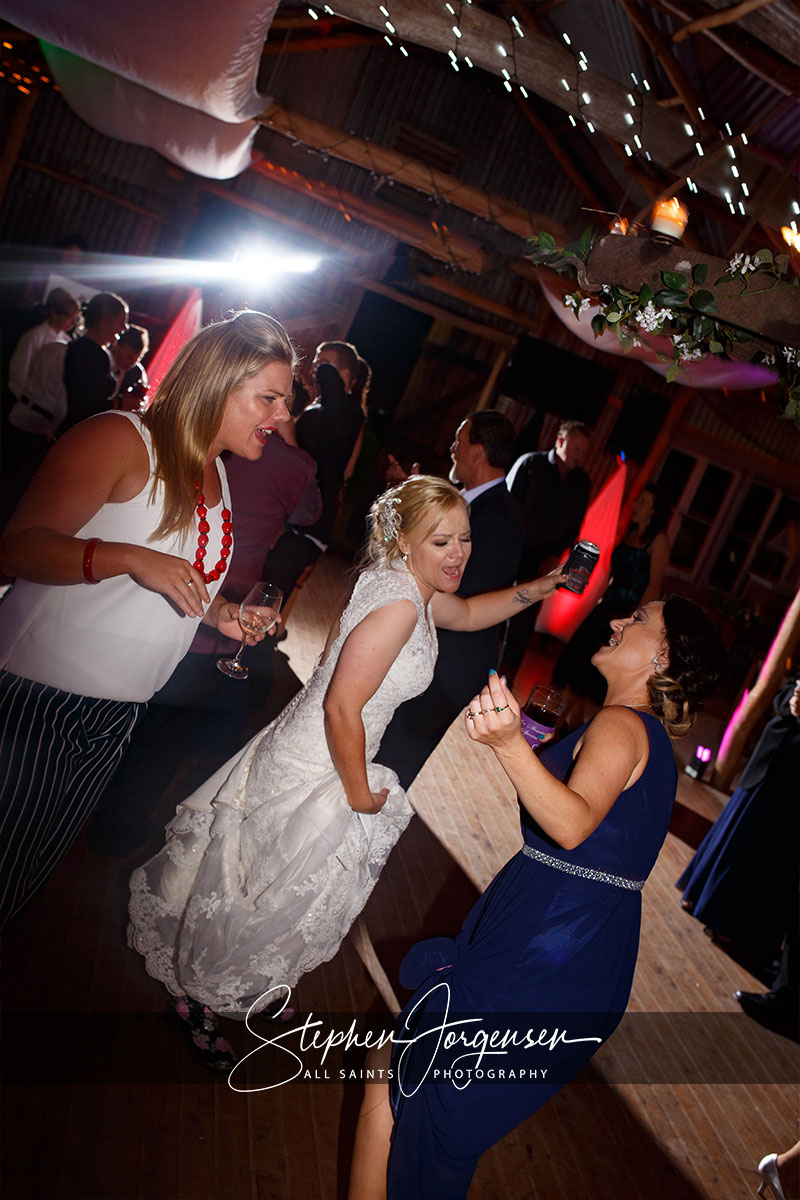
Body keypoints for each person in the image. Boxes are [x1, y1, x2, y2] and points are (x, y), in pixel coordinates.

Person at [128, 475, 563, 1069]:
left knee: (268, 879)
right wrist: (360, 795)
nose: (458, 553)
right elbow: (341, 706)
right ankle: (195, 1003)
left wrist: (539, 588)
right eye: (442, 542)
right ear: (407, 540)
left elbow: (464, 614)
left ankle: (240, 983)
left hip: (316, 743)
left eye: (463, 538)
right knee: (259, 883)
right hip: (322, 756)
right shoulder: (400, 607)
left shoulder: (403, 580)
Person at [348, 595, 722, 1200]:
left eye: (638, 621)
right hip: (571, 945)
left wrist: (511, 747)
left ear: (662, 657)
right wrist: (526, 751)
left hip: (543, 948)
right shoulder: (640, 735)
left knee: (423, 1095)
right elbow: (573, 826)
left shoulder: (621, 726)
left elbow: (572, 828)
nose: (616, 621)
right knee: (402, 1082)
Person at [0, 310, 295, 928]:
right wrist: (128, 558)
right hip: (34, 700)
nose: (282, 417)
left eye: (285, 402)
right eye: (269, 398)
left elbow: (177, 578)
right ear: (216, 382)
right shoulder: (118, 437)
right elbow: (17, 547)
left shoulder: (219, 473)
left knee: (19, 882)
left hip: (116, 714)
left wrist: (220, 613)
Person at [87, 413, 322, 856]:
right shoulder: (288, 465)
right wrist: (293, 448)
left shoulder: (205, 450)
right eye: (273, 399)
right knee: (167, 728)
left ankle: (97, 807)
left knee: (141, 712)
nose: (282, 414)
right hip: (205, 603)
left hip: (195, 602)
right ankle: (116, 827)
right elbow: (309, 513)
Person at [377, 411, 523, 789]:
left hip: (449, 662)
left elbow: (458, 589)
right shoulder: (469, 503)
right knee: (377, 744)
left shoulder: (499, 520)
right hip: (429, 648)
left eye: (459, 441)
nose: (452, 449)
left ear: (477, 452)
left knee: (392, 763)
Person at [678, 676, 800, 972]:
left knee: (761, 856)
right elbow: (783, 691)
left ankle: (730, 924)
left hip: (792, 785)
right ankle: (698, 895)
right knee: (731, 835)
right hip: (767, 763)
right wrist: (792, 704)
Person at [551, 482, 671, 713]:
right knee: (579, 660)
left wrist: (635, 619)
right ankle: (567, 721)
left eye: (643, 502)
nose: (636, 505)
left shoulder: (658, 541)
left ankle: (577, 723)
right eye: (638, 500)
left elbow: (653, 585)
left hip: (627, 609)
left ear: (654, 511)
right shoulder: (632, 532)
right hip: (608, 605)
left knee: (594, 675)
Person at [262, 341, 365, 599]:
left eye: (323, 363)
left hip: (309, 524)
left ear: (342, 373)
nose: (315, 368)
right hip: (293, 515)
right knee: (264, 585)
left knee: (271, 592)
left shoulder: (349, 412)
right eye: (316, 362)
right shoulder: (318, 408)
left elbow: (346, 471)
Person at [501, 419, 592, 679]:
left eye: (584, 451)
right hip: (511, 551)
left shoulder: (582, 482)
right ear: (560, 441)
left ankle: (504, 683)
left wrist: (555, 555)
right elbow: (506, 505)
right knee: (491, 612)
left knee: (523, 625)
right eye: (576, 448)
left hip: (543, 560)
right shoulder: (531, 463)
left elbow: (574, 526)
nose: (580, 455)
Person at [59, 291, 129, 433]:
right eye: (121, 322)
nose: (125, 328)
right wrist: (121, 402)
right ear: (104, 322)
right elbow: (87, 407)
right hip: (76, 430)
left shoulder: (82, 347)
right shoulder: (93, 354)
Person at [7, 286, 79, 403]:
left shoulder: (67, 340)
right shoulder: (34, 336)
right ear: (54, 313)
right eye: (68, 317)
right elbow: (19, 372)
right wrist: (24, 400)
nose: (72, 323)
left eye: (75, 318)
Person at [110, 324, 150, 409]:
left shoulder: (137, 373)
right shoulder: (100, 361)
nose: (132, 363)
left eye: (138, 359)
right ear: (116, 346)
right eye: (129, 357)